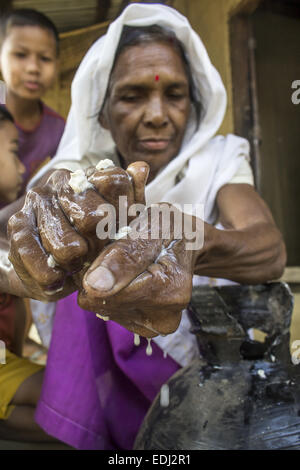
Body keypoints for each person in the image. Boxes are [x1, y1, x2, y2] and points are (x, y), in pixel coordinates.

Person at [5, 4, 286, 449]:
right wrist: (37, 235)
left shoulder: (218, 161)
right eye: (133, 96)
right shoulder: (80, 172)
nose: (157, 114)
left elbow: (268, 249)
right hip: (102, 375)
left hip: (205, 373)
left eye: (173, 94)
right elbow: (11, 228)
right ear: (101, 110)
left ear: (192, 105)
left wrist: (193, 241)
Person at [0, 8, 65, 355]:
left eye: (45, 58)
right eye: (20, 55)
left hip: (25, 243)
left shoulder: (59, 130)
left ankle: (17, 352)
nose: (33, 67)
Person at [0, 106, 57, 443]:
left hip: (6, 360)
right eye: (12, 152)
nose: (23, 167)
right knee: (73, 410)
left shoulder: (8, 223)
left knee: (69, 410)